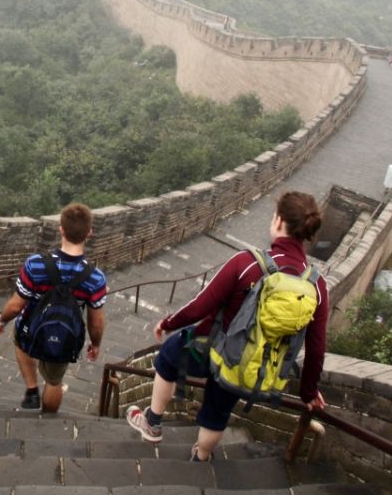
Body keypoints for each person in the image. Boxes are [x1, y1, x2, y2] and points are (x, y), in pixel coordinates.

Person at [125, 191, 329, 461]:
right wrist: (308, 392)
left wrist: (169, 323)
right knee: (217, 413)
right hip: (250, 368)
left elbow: (201, 306)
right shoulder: (316, 286)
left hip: (210, 348)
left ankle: (152, 423)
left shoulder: (248, 264)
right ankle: (202, 457)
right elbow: (316, 348)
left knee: (168, 356)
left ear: (279, 221)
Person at [0, 203, 107, 412]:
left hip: (30, 329)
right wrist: (96, 343)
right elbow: (96, 321)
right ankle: (47, 418)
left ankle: (31, 390)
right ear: (89, 233)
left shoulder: (35, 264)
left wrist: (1, 320)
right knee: (55, 381)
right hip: (64, 337)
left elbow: (16, 305)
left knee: (19, 339)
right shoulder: (95, 278)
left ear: (61, 229)